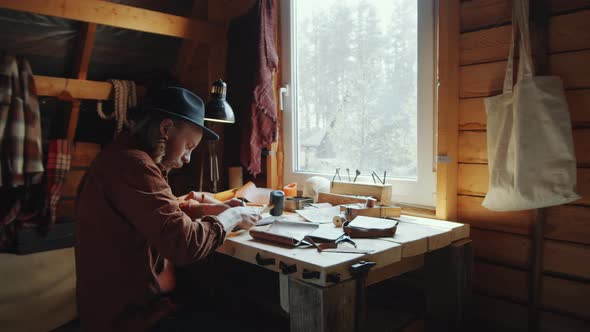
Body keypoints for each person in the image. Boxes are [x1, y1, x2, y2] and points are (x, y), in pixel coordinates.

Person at [74, 87, 260, 331]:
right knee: (238, 316)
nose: (188, 158)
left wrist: (207, 210)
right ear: (165, 129)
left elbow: (155, 210)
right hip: (128, 319)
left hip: (119, 309)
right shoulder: (134, 165)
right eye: (189, 146)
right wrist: (233, 215)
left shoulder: (119, 156)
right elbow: (185, 245)